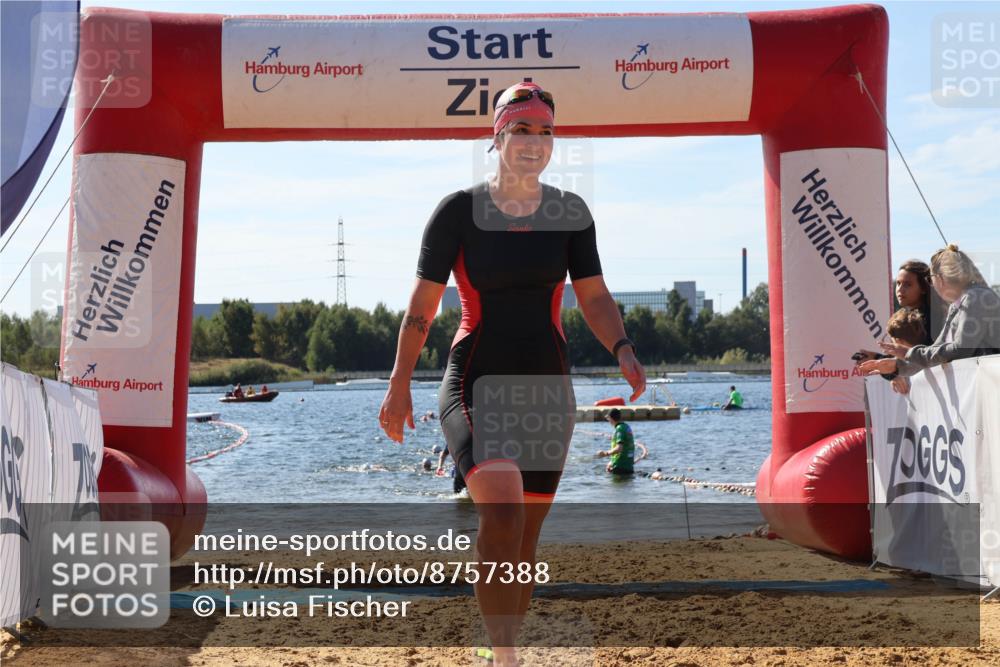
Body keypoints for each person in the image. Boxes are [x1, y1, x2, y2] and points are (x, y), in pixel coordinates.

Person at [377, 80, 646, 667]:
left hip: (548, 387)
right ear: (497, 137)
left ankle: (505, 646)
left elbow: (594, 298)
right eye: (522, 128)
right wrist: (399, 384)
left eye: (546, 131)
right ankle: (503, 657)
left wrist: (621, 346)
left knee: (523, 540)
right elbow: (422, 307)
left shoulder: (570, 213)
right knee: (501, 513)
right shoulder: (457, 212)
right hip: (475, 378)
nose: (535, 141)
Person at [861, 244, 1000, 379]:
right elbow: (936, 351)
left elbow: (960, 350)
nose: (931, 285)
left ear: (939, 278)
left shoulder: (975, 298)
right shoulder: (960, 303)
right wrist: (897, 366)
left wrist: (910, 353)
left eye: (930, 280)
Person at [853, 260, 937, 362]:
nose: (900, 289)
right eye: (898, 283)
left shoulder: (933, 319)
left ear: (923, 288)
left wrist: (879, 360)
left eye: (908, 284)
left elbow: (924, 361)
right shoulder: (905, 316)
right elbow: (906, 363)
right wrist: (876, 358)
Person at [879, 307, 928, 395]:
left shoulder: (927, 360)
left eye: (892, 341)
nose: (891, 344)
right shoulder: (931, 355)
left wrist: (897, 373)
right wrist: (894, 375)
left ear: (898, 342)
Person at [596, 408, 635, 475]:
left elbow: (619, 448)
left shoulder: (619, 429)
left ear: (611, 418)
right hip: (629, 466)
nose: (608, 421)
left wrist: (605, 453)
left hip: (620, 466)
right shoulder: (626, 426)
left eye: (608, 419)